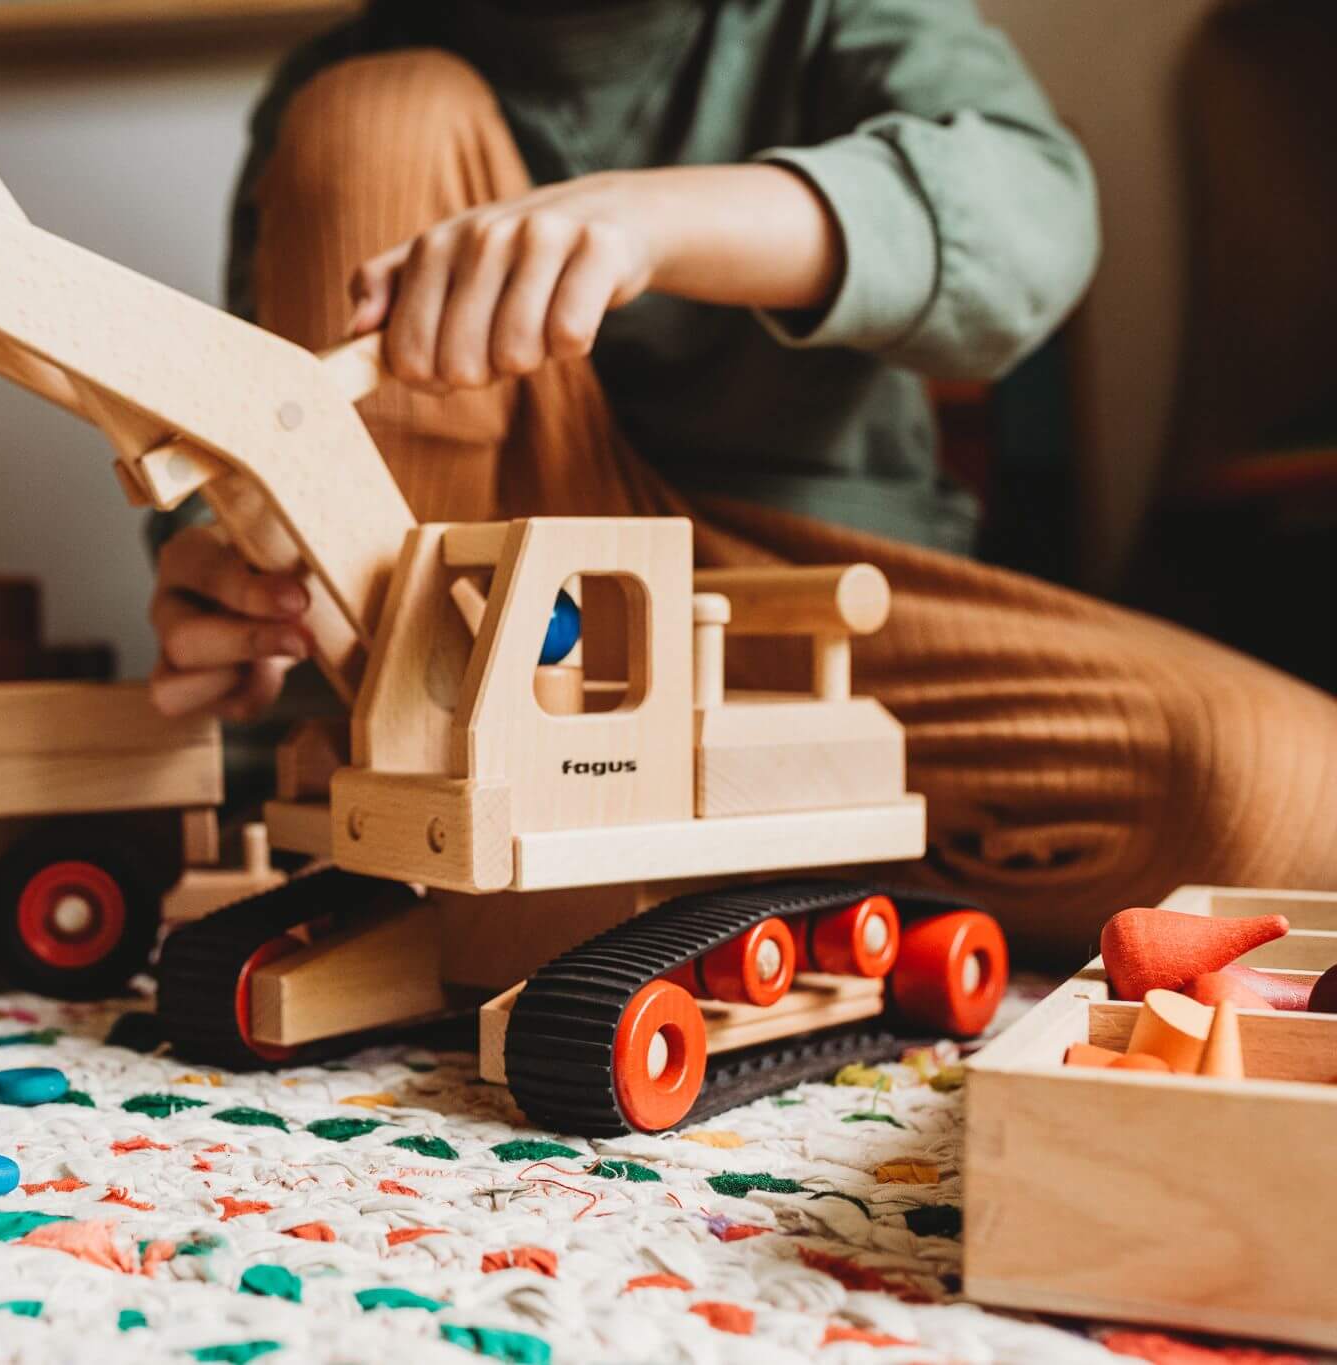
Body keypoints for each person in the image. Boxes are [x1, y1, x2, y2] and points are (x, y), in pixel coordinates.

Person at [145, 0, 1337, 959]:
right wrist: (230, 575)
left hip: (804, 607)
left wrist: (655, 221)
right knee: (375, 116)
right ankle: (513, 854)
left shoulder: (835, 19)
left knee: (1270, 794)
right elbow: (264, 427)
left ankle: (683, 874)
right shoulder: (345, 80)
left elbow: (1028, 220)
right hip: (505, 636)